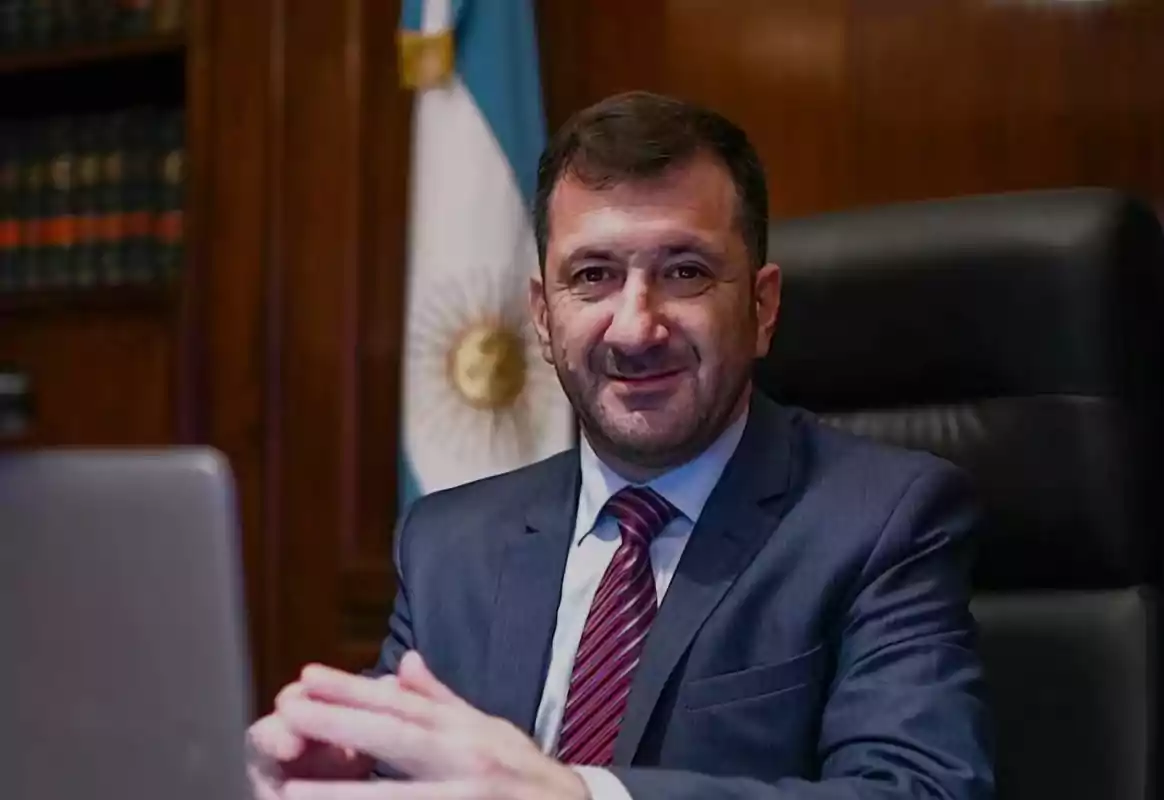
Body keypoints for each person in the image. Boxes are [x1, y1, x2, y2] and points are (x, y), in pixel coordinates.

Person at [247, 90, 995, 800]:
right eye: (594, 276)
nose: (636, 327)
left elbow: (918, 791)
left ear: (762, 307)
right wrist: (334, 777)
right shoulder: (448, 544)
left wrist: (578, 795)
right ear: (542, 315)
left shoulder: (883, 521)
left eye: (685, 273)